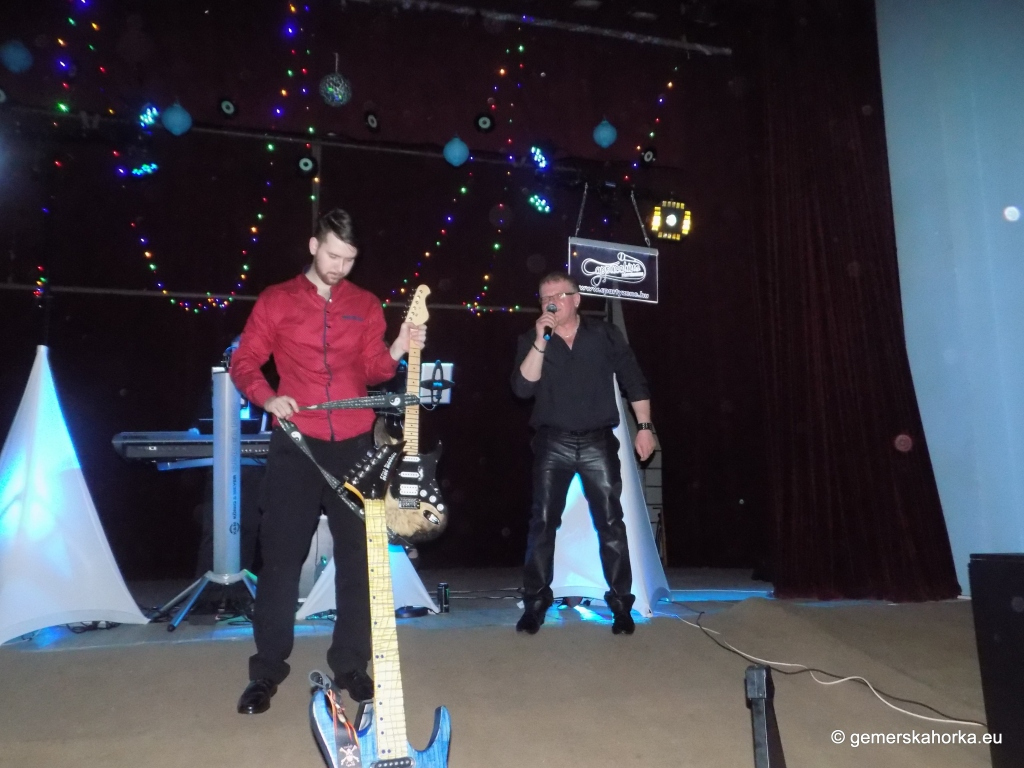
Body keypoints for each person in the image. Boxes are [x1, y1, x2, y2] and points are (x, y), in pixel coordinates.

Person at [229, 208, 426, 715]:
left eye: (350, 259)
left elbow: (375, 370)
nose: (340, 267)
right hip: (296, 444)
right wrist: (267, 397)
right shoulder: (276, 300)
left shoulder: (366, 303)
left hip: (356, 446)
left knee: (359, 560)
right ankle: (266, 671)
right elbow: (244, 361)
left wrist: (399, 346)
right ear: (314, 245)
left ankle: (352, 665)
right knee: (280, 560)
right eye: (333, 255)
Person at [511, 271, 656, 635]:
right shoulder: (532, 339)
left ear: (576, 299)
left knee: (610, 522)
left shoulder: (604, 334)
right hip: (552, 442)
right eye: (545, 298)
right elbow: (522, 388)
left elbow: (633, 378)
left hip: (597, 440)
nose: (551, 303)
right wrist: (541, 341)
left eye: (558, 296)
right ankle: (535, 602)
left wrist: (644, 427)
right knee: (543, 523)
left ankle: (621, 605)